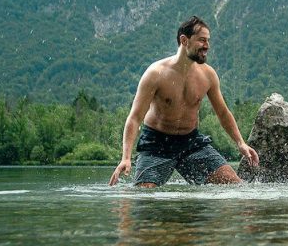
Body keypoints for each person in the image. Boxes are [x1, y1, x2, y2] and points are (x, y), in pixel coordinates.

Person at [108, 16, 260, 187]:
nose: (207, 46)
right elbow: (135, 117)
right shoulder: (156, 73)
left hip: (191, 142)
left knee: (235, 185)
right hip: (156, 144)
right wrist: (126, 158)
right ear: (184, 40)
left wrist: (240, 143)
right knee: (145, 195)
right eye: (202, 40)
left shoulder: (208, 75)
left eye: (208, 41)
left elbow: (223, 113)